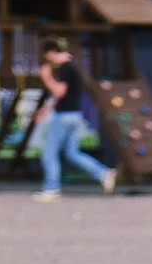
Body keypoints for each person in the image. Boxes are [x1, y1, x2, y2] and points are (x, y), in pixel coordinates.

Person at [31, 38, 114, 202]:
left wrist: (46, 78)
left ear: (51, 53)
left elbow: (60, 91)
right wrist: (45, 108)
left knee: (48, 152)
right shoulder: (72, 66)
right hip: (74, 115)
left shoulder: (66, 68)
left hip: (63, 117)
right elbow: (61, 95)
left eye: (47, 57)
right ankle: (103, 173)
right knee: (72, 153)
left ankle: (51, 189)